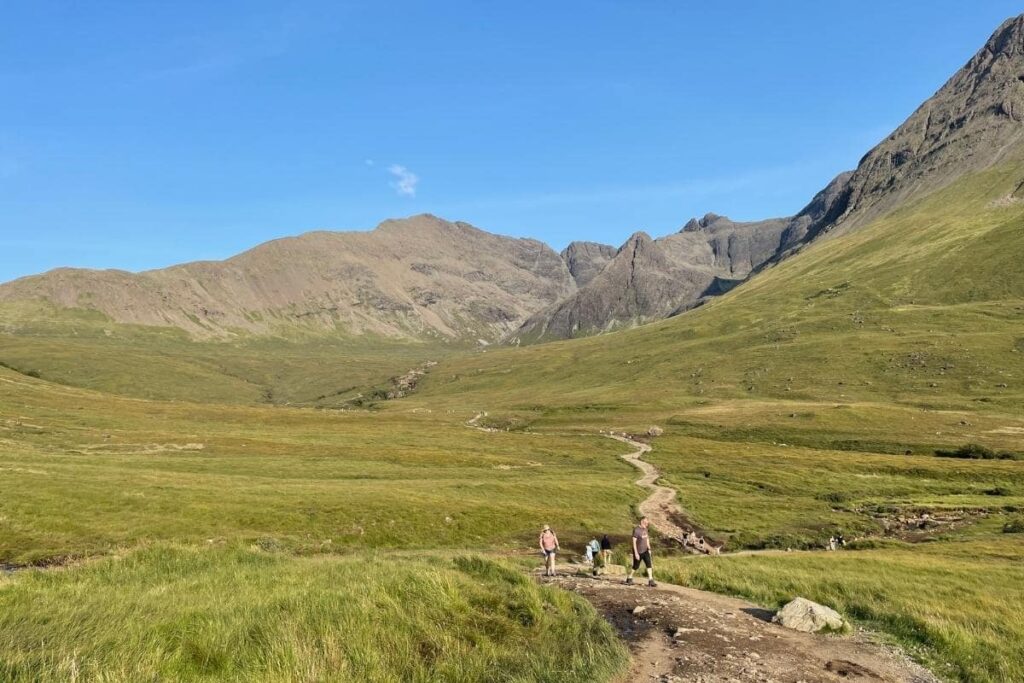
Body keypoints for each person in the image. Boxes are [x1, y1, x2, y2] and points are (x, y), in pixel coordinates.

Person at [625, 516, 656, 587]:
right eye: (645, 523)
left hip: (645, 550)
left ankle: (651, 580)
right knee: (636, 566)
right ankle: (629, 577)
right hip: (638, 551)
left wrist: (649, 549)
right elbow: (634, 542)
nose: (647, 524)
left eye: (647, 523)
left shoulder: (646, 529)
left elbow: (647, 539)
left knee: (649, 564)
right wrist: (636, 553)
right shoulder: (636, 530)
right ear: (642, 522)